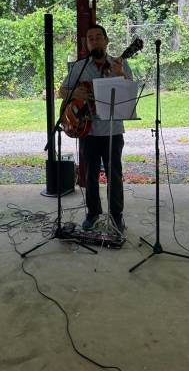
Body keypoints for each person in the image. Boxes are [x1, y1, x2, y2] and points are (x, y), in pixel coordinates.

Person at [59, 24, 134, 234]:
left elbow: (130, 92)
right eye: (90, 38)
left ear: (106, 41)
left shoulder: (120, 63)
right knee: (89, 176)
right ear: (86, 43)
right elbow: (61, 91)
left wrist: (122, 75)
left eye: (98, 37)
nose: (94, 40)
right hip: (87, 131)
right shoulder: (80, 67)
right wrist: (75, 94)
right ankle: (93, 214)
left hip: (112, 130)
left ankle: (116, 216)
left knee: (115, 176)